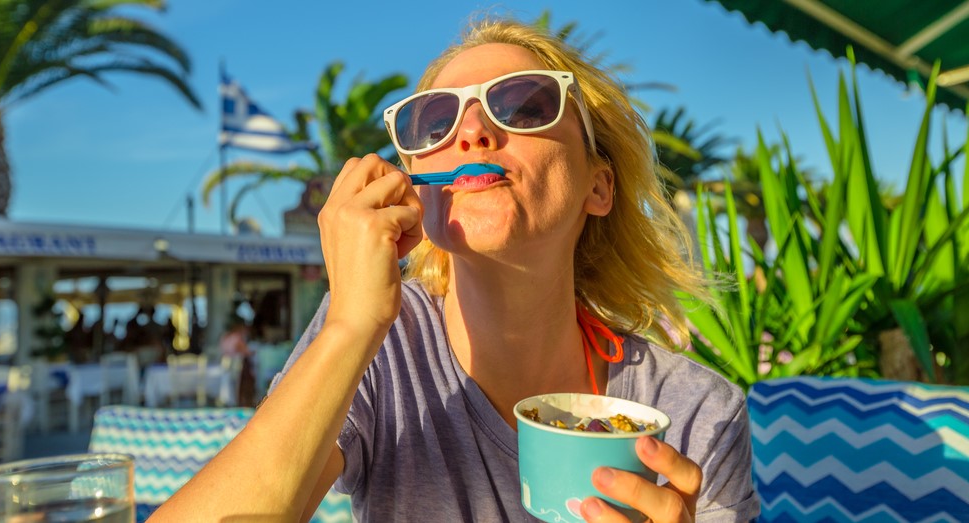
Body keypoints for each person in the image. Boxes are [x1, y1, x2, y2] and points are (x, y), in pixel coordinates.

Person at [153, 16, 759, 522]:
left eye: (524, 104)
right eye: (433, 121)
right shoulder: (379, 343)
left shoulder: (694, 412)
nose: (471, 130)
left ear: (597, 186)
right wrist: (349, 325)